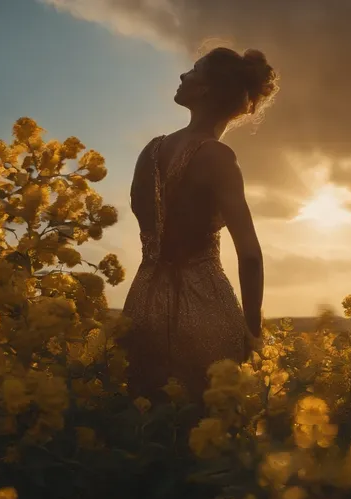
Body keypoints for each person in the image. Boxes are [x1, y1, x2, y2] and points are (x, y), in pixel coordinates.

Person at [121, 46, 279, 404]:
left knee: (142, 417)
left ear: (206, 89)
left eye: (193, 70)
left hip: (143, 300)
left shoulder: (151, 150)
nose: (182, 76)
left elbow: (145, 216)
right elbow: (250, 255)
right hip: (205, 306)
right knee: (205, 425)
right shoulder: (218, 158)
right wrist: (252, 329)